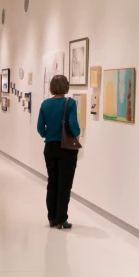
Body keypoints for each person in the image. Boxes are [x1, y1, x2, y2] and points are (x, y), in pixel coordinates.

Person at [36, 75, 81, 230]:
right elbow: (74, 126)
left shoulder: (45, 104)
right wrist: (77, 133)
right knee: (65, 184)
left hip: (50, 148)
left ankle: (52, 218)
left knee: (52, 182)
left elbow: (40, 128)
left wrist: (48, 135)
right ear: (66, 87)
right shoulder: (70, 103)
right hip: (66, 149)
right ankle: (62, 219)